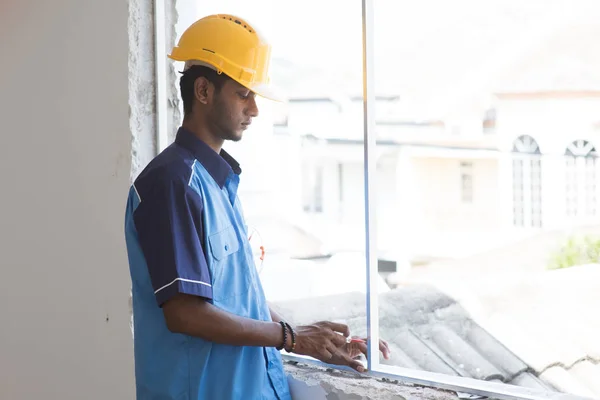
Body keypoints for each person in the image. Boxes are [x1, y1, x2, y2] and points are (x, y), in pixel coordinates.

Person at [124, 13, 390, 400]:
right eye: (243, 93)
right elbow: (185, 313)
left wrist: (314, 341)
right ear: (203, 91)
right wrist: (291, 338)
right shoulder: (172, 183)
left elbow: (239, 297)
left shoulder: (217, 182)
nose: (254, 109)